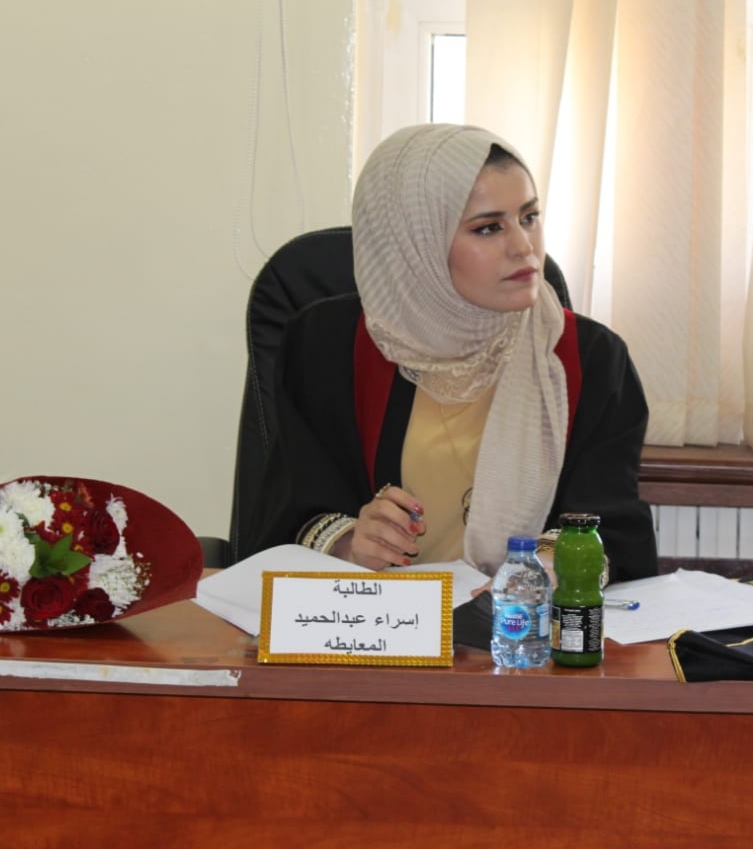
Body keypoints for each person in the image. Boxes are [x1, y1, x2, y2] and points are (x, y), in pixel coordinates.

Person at [243, 123, 657, 585]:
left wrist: (552, 564)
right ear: (416, 241)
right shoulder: (328, 345)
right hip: (374, 619)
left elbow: (614, 526)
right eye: (488, 228)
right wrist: (347, 543)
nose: (524, 247)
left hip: (520, 623)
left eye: (529, 217)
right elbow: (289, 510)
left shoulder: (589, 358)